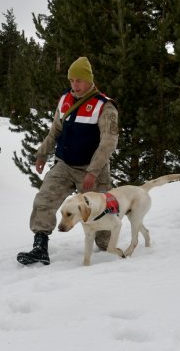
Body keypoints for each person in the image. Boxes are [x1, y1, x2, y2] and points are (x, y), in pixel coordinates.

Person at [17, 57, 119, 265]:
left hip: (92, 169)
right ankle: (40, 247)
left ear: (89, 80)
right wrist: (42, 153)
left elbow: (108, 142)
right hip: (64, 164)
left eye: (79, 80)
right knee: (44, 200)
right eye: (72, 80)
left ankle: (109, 249)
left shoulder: (104, 106)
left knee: (101, 222)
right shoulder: (65, 100)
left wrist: (92, 172)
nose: (75, 85)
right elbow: (55, 129)